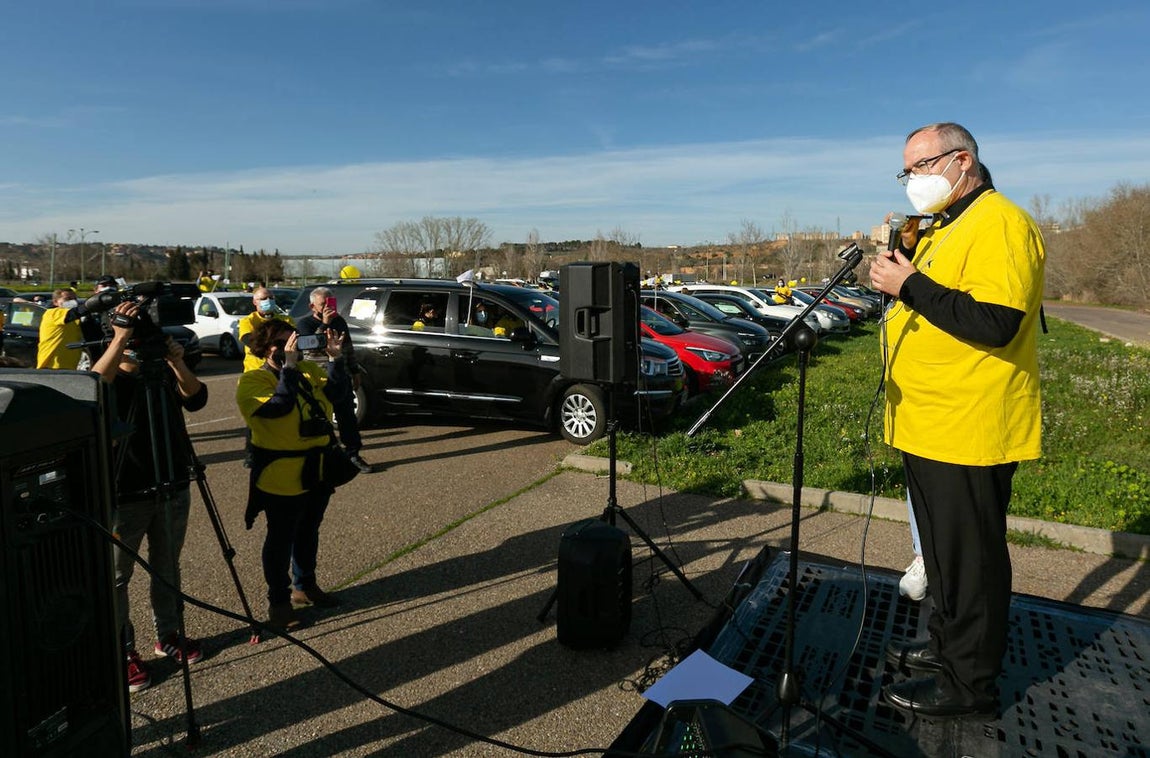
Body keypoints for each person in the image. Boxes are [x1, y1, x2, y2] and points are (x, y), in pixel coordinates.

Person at [871, 122, 1044, 719]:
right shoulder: (950, 225)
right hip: (928, 422)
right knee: (943, 558)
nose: (912, 180)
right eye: (907, 171)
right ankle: (946, 650)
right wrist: (905, 270)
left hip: (969, 425)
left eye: (919, 167)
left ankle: (970, 689)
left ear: (962, 161)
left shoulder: (999, 222)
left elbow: (996, 322)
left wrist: (909, 283)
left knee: (970, 564)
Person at [92, 300, 209, 693]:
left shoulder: (159, 375)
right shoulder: (110, 376)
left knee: (167, 565)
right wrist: (120, 339)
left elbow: (196, 398)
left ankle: (169, 635)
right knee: (116, 577)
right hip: (127, 491)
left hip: (173, 483)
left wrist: (176, 362)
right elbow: (89, 390)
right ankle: (122, 651)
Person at [236, 318, 349, 630]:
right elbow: (278, 408)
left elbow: (339, 396)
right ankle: (279, 602)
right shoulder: (252, 382)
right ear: (266, 348)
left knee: (309, 530)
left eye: (294, 341)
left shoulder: (307, 371)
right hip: (280, 475)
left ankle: (305, 586)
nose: (292, 347)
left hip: (317, 469)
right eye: (283, 343)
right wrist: (287, 367)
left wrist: (336, 358)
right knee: (280, 539)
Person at [296, 287, 370, 473]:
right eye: (324, 304)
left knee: (347, 418)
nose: (329, 307)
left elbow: (348, 347)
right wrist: (324, 324)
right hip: (316, 378)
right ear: (313, 306)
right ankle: (322, 460)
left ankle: (353, 455)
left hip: (340, 375)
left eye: (331, 303)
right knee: (319, 420)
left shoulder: (340, 321)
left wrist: (354, 371)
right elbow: (310, 348)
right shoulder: (304, 324)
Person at [238, 287, 294, 372]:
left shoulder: (286, 319)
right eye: (263, 299)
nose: (268, 300)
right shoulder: (248, 321)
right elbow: (250, 341)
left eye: (271, 298)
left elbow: (294, 340)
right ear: (255, 302)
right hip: (256, 369)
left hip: (281, 367)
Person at [35, 288, 83, 369]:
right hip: (51, 365)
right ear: (55, 302)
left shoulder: (75, 320)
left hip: (70, 366)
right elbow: (75, 313)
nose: (73, 302)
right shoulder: (52, 313)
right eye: (68, 299)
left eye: (74, 299)